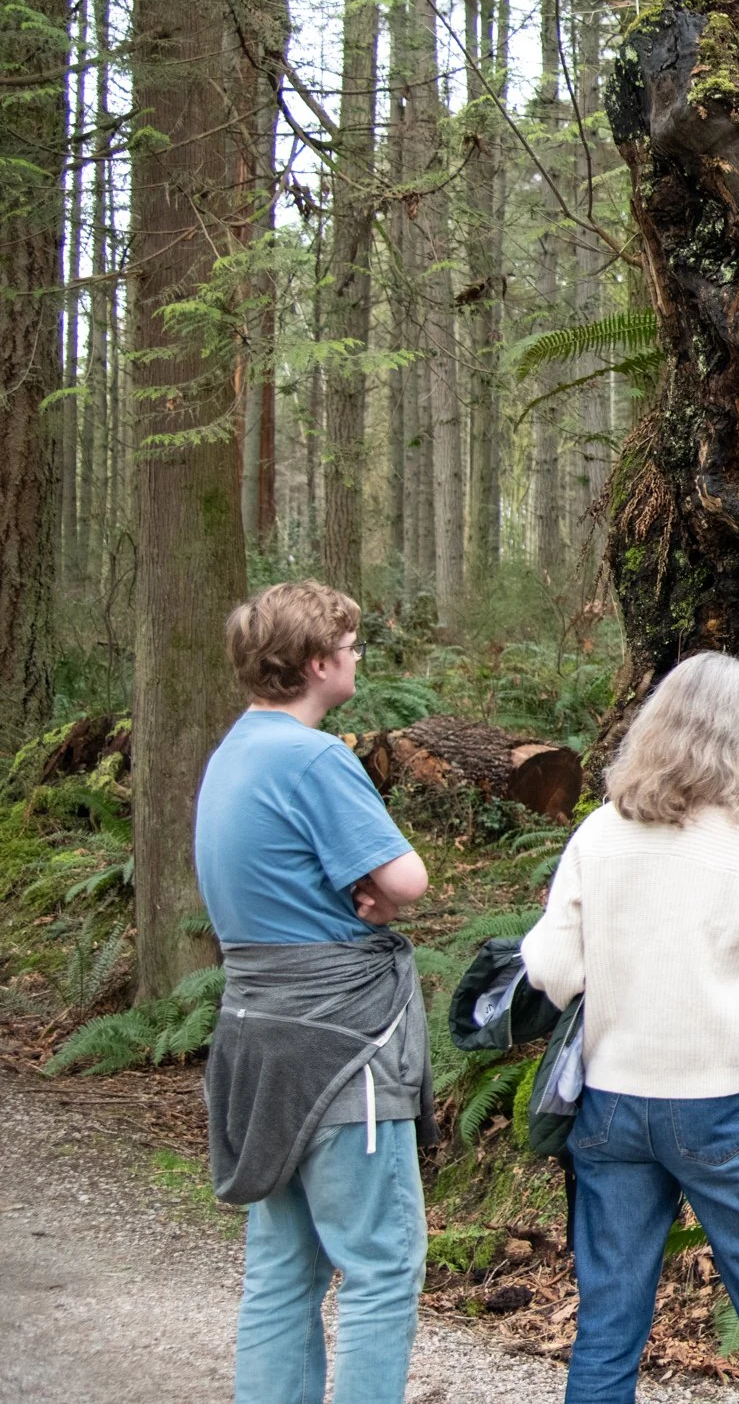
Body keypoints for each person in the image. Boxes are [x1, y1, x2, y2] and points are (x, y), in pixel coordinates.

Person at [522, 652, 739, 1404]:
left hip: (611, 1101)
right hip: (722, 1102)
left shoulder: (599, 833)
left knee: (606, 1328)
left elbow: (552, 965)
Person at [196, 580, 434, 1404]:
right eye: (352, 642)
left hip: (257, 1039)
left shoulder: (231, 753)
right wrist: (386, 891)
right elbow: (407, 875)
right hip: (340, 1047)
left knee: (283, 1267)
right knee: (379, 1264)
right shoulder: (314, 756)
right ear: (317, 662)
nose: (360, 654)